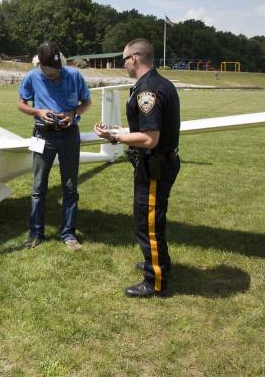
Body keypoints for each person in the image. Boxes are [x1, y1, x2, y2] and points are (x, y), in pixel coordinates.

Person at [94, 38, 180, 297]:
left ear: (134, 58)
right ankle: (156, 264)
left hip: (154, 166)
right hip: (158, 163)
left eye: (123, 59)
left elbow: (149, 139)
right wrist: (117, 131)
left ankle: (155, 281)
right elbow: (146, 129)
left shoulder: (146, 91)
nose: (123, 64)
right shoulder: (158, 83)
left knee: (148, 223)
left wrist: (115, 138)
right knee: (150, 221)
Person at [18, 41, 91, 251]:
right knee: (38, 186)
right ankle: (35, 232)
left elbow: (86, 102)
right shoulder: (31, 76)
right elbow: (21, 104)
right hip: (42, 135)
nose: (54, 77)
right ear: (40, 65)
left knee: (70, 187)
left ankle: (68, 234)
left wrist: (72, 113)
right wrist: (38, 112)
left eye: (57, 72)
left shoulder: (74, 75)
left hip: (69, 136)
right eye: (49, 75)